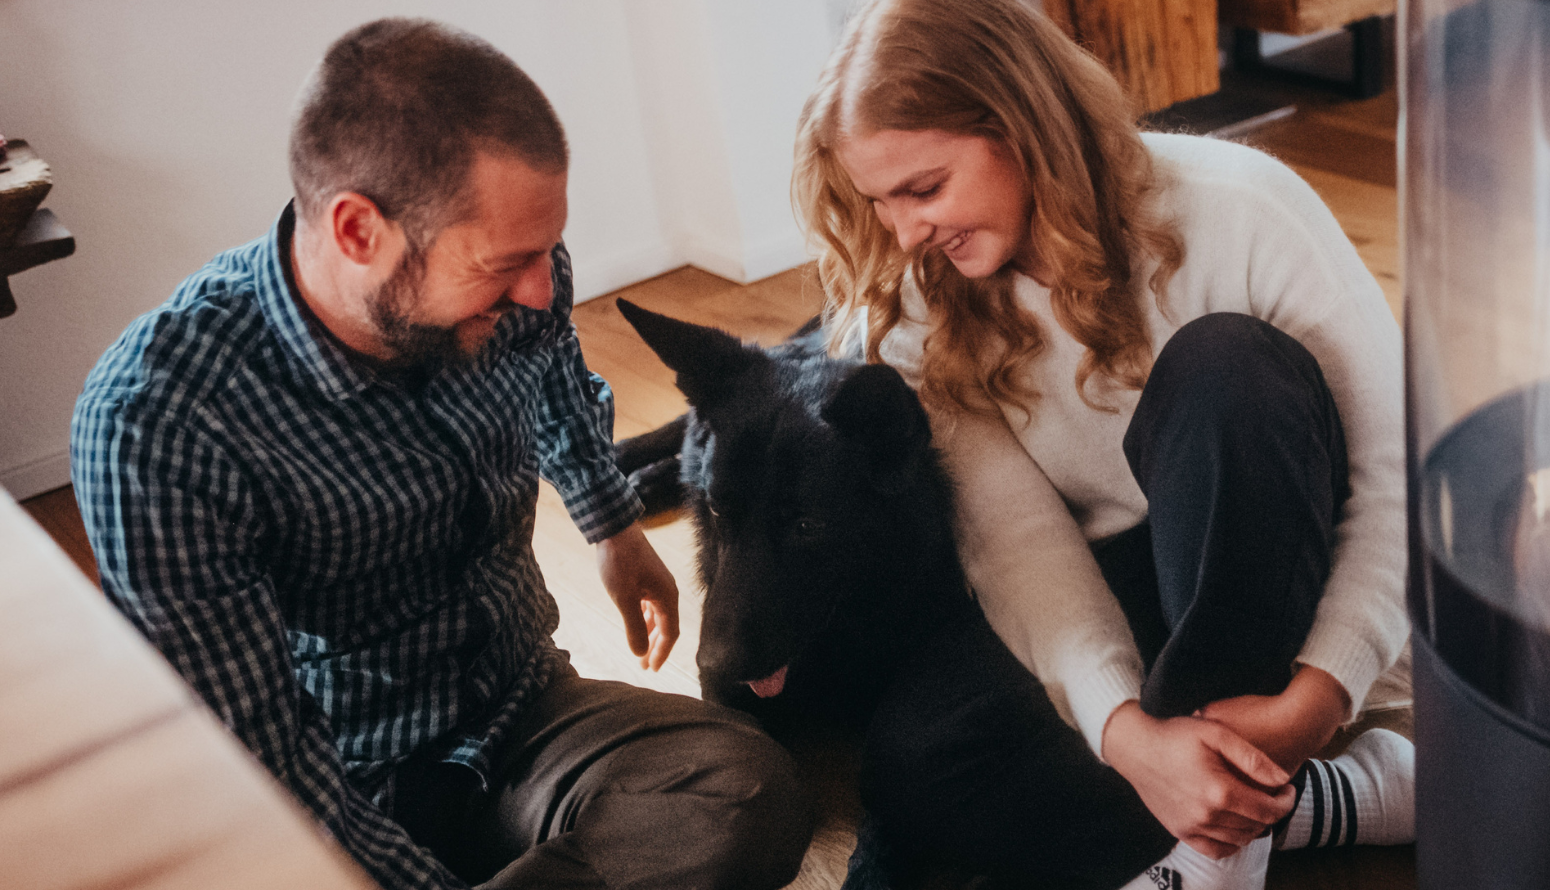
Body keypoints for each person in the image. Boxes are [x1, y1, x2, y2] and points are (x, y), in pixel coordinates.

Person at [71, 19, 813, 890]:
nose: (541, 289)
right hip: (343, 772)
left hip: (521, 706)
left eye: (548, 253)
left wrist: (613, 527)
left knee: (747, 784)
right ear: (357, 231)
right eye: (508, 265)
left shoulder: (518, 277)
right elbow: (268, 766)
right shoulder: (157, 425)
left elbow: (556, 376)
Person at [792, 0, 1414, 886]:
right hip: (1123, 574)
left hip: (1285, 552)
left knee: (1225, 368)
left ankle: (1212, 857)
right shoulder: (915, 302)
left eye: (924, 189)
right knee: (916, 770)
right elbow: (1018, 545)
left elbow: (1399, 481)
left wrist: (1321, 695)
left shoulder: (1243, 208)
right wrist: (1127, 736)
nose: (904, 233)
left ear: (1025, 124)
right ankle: (1325, 802)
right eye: (879, 202)